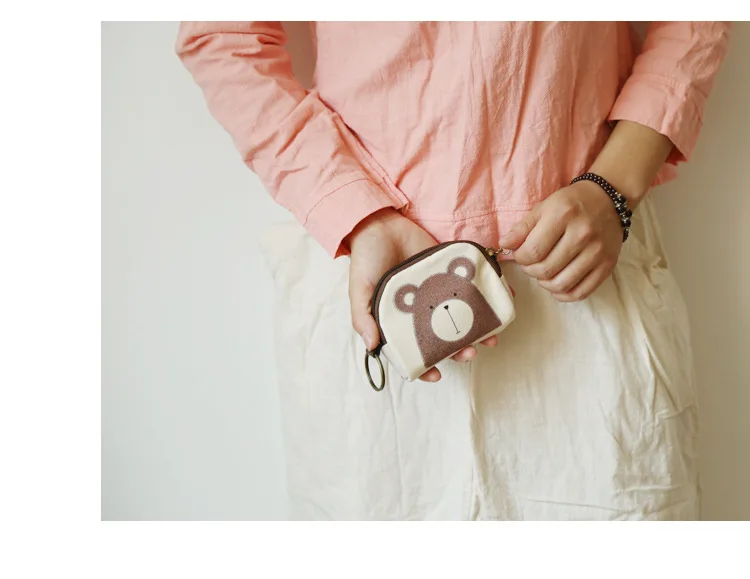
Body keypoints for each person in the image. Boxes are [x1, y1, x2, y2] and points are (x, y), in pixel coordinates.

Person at [176, 21, 730, 520]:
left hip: (585, 278)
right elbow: (223, 37)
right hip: (376, 299)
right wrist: (356, 213)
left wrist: (614, 187)